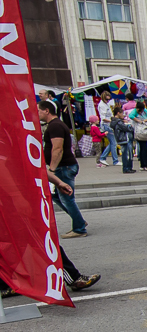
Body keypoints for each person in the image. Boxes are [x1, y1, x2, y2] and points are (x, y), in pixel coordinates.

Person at [0, 170, 99, 297]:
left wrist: (58, 182)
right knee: (41, 241)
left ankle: (5, 284)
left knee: (23, 242)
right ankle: (73, 278)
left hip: (10, 202)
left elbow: (34, 165)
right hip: (11, 203)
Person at [38, 100, 88, 238]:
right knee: (56, 196)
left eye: (39, 110)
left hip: (63, 167)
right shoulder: (54, 125)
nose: (37, 113)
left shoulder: (55, 126)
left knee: (66, 197)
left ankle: (79, 228)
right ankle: (79, 220)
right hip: (63, 166)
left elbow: (58, 148)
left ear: (47, 111)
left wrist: (52, 169)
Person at [128, 100, 147, 171]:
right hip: (139, 132)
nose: (140, 112)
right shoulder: (134, 111)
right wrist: (139, 121)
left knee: (142, 147)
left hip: (142, 131)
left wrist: (144, 121)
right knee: (144, 148)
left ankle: (142, 165)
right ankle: (146, 165)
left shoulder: (144, 110)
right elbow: (130, 116)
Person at [110, 105, 135, 173]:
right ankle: (126, 168)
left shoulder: (114, 121)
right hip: (124, 138)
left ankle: (128, 168)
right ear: (118, 113)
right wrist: (129, 126)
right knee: (126, 154)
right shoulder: (119, 122)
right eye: (122, 113)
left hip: (121, 139)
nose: (123, 115)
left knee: (126, 153)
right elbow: (126, 128)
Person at [97, 90, 119, 166]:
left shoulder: (106, 104)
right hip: (106, 124)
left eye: (109, 99)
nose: (108, 101)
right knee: (113, 142)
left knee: (112, 142)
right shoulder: (102, 105)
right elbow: (103, 118)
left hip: (108, 124)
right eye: (106, 99)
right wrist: (111, 121)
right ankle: (114, 160)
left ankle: (103, 158)